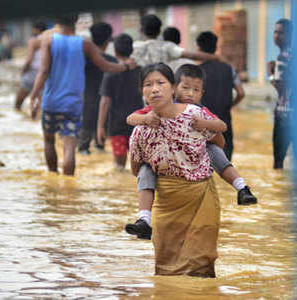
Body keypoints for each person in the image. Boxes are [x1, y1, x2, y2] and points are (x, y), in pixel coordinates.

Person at [125, 64, 257, 239]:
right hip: (176, 187)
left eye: (195, 90)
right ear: (175, 88)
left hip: (196, 175)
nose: (189, 94)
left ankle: (242, 187)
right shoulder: (151, 115)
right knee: (145, 170)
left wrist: (204, 125)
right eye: (185, 88)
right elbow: (131, 118)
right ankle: (144, 219)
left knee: (214, 151)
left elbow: (221, 129)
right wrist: (146, 119)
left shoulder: (197, 113)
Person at [129, 63, 223, 277]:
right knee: (166, 269)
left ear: (173, 88)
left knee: (201, 266)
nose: (154, 89)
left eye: (160, 83)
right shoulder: (139, 131)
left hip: (201, 197)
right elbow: (136, 169)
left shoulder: (195, 115)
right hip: (166, 205)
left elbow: (218, 142)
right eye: (148, 84)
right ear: (143, 92)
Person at [29, 15, 136, 176]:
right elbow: (107, 66)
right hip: (73, 104)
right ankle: (68, 187)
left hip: (51, 102)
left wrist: (33, 96)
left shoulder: (49, 41)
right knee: (69, 147)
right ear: (76, 20)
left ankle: (52, 180)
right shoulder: (85, 44)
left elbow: (43, 72)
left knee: (49, 142)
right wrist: (127, 66)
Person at [96, 34, 143, 170]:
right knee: (139, 167)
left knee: (119, 167)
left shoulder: (110, 73)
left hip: (117, 125)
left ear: (115, 52)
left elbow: (105, 101)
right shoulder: (140, 71)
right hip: (137, 123)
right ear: (131, 50)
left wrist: (100, 127)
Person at [197, 31, 245, 161]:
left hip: (204, 125)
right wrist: (230, 105)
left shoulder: (198, 71)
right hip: (225, 123)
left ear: (199, 49)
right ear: (216, 47)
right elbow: (241, 93)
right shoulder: (228, 69)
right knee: (226, 167)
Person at [78, 22, 117, 155]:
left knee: (83, 148)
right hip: (105, 110)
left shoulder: (84, 59)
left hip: (86, 107)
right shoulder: (112, 62)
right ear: (107, 41)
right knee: (100, 147)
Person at [133, 14, 222, 67]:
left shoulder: (134, 47)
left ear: (141, 30)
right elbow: (192, 55)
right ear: (159, 31)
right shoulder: (167, 46)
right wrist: (217, 57)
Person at [267, 19, 292, 169]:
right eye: (275, 32)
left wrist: (269, 73)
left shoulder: (282, 57)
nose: (276, 36)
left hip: (284, 114)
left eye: (281, 33)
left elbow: (281, 88)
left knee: (278, 162)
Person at [14, 21, 47, 110]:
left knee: (17, 104)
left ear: (36, 29)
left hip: (32, 73)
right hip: (45, 74)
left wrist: (23, 71)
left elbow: (29, 60)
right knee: (41, 106)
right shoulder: (50, 40)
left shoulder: (34, 41)